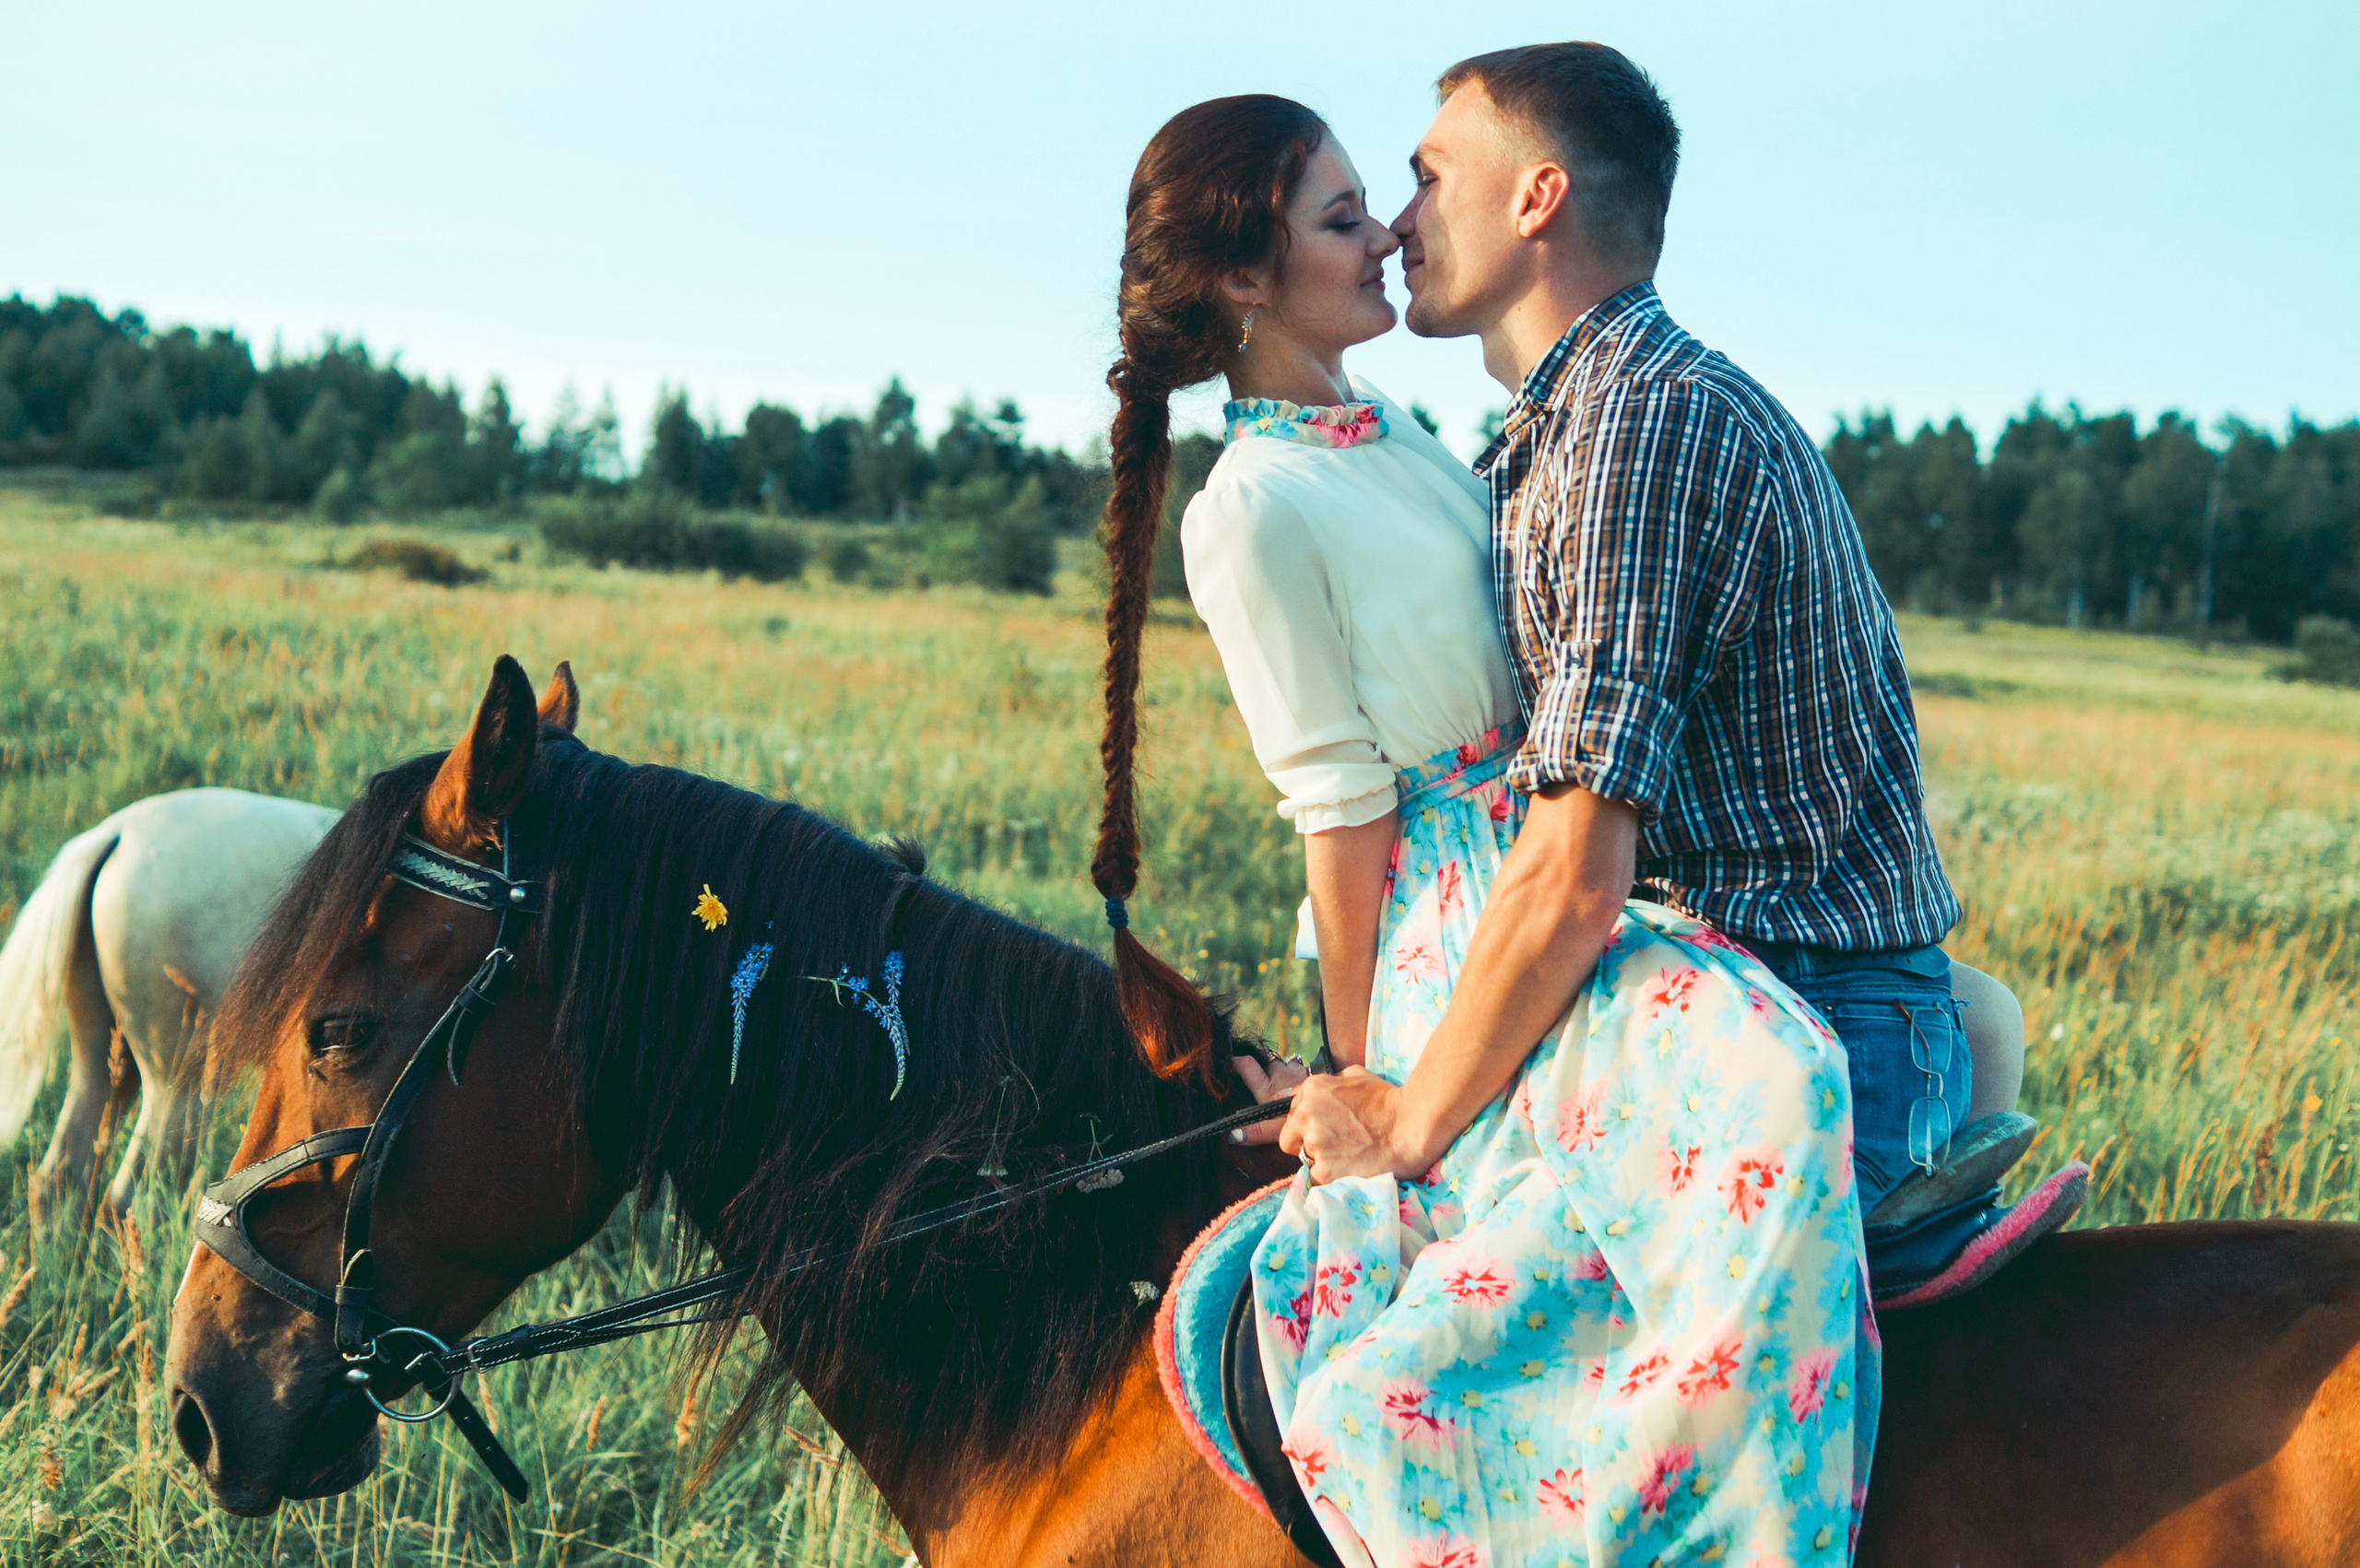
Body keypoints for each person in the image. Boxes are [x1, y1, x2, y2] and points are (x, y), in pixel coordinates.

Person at [1090, 89, 1912, 1568]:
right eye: (1345, 217)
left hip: (1532, 861)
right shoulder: (1252, 505)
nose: (1388, 229)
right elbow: (1336, 812)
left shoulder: (1406, 431)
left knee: (1757, 1098)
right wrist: (1358, 1072)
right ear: (1241, 279)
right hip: (1455, 892)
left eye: (1392, 194)